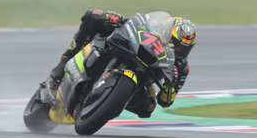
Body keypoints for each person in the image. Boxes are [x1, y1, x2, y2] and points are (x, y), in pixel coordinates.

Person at [46, 9, 197, 117]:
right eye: (175, 44)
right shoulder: (156, 26)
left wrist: (169, 88)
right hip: (125, 48)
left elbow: (166, 101)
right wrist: (118, 19)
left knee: (148, 108)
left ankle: (108, 103)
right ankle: (59, 70)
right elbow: (139, 21)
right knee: (94, 16)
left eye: (184, 49)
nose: (178, 50)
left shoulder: (181, 67)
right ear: (167, 33)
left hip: (142, 79)